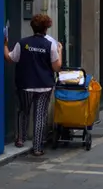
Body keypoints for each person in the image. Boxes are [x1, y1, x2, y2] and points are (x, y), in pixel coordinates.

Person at [4, 14, 63, 156]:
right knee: (40, 115)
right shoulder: (50, 45)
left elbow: (10, 58)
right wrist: (60, 51)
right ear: (46, 28)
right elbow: (57, 67)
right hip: (44, 85)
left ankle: (20, 139)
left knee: (23, 111)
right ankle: (37, 148)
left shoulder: (22, 43)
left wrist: (4, 45)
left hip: (25, 84)